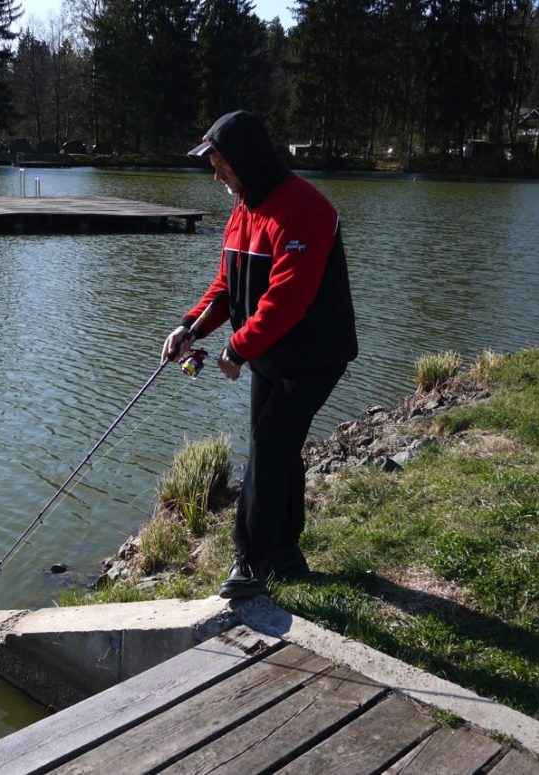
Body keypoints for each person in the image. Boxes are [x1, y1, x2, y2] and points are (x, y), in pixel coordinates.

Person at [163, 110, 358, 599]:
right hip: (272, 352)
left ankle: (251, 560)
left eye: (220, 163)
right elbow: (227, 286)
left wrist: (237, 348)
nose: (216, 174)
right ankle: (286, 553)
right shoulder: (245, 206)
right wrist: (190, 326)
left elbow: (287, 298)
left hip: (315, 354)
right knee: (277, 447)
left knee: (268, 447)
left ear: (246, 160)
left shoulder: (305, 209)